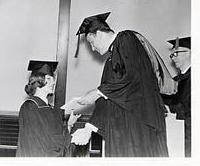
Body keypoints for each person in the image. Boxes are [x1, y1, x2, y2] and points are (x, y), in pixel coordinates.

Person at [71, 12, 174, 157]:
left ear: (99, 33)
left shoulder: (126, 38)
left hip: (138, 126)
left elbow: (133, 76)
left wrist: (97, 92)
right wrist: (88, 129)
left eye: (91, 43)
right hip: (122, 131)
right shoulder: (110, 61)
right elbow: (107, 98)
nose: (93, 49)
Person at [16, 60, 80, 157]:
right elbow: (40, 142)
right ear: (38, 80)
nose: (53, 82)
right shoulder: (30, 107)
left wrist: (69, 126)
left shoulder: (51, 109)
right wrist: (72, 139)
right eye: (49, 79)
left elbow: (54, 137)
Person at [163, 37, 191, 157]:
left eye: (176, 53)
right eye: (172, 55)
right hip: (177, 132)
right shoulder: (175, 80)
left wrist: (170, 109)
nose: (173, 57)